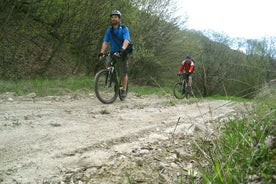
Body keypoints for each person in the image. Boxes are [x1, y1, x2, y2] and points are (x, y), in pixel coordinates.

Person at [98, 10, 131, 98]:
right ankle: (113, 78)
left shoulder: (124, 28)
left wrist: (122, 50)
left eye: (115, 17)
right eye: (112, 17)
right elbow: (105, 42)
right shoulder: (109, 30)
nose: (113, 19)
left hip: (122, 52)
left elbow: (126, 40)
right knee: (107, 64)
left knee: (123, 72)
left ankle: (123, 89)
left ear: (119, 19)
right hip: (113, 52)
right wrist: (101, 52)